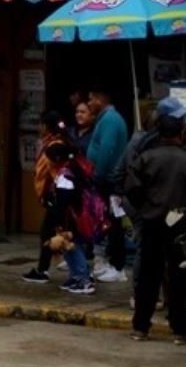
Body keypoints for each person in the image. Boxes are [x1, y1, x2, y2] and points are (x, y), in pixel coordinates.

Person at [124, 99, 186, 342]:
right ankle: (180, 330)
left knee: (148, 275)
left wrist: (147, 207)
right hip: (182, 225)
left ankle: (140, 326)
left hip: (152, 222)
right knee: (180, 277)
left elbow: (131, 188)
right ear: (181, 130)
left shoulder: (145, 155)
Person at [84, 87, 130, 282]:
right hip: (110, 182)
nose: (89, 104)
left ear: (101, 98)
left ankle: (118, 266)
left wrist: (98, 175)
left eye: (91, 98)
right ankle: (113, 262)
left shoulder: (110, 120)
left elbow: (107, 150)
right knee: (110, 222)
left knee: (114, 222)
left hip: (111, 183)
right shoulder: (106, 118)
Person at [42, 139, 99, 297]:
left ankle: (84, 280)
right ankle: (75, 277)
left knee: (74, 247)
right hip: (75, 217)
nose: (46, 161)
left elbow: (62, 204)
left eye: (48, 158)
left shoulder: (65, 178)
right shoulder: (70, 171)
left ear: (57, 159)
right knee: (68, 248)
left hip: (73, 219)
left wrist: (60, 224)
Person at [22, 112, 74, 283]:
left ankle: (76, 273)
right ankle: (47, 268)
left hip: (57, 196)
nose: (39, 128)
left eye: (42, 124)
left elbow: (50, 173)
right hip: (55, 195)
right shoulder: (53, 144)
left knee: (56, 234)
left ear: (47, 126)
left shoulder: (55, 147)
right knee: (54, 233)